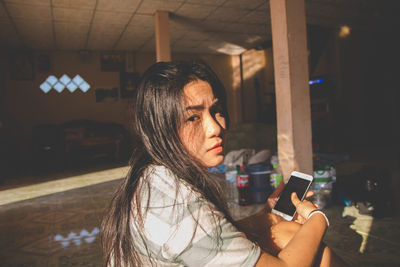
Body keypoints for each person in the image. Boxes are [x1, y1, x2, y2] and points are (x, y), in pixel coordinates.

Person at [101, 61, 348, 267]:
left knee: (285, 232)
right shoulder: (177, 203)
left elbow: (211, 238)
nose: (216, 127)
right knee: (308, 244)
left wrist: (268, 217)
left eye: (216, 110)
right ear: (161, 128)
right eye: (193, 117)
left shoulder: (152, 175)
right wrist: (317, 219)